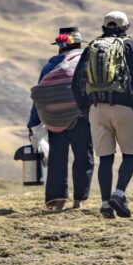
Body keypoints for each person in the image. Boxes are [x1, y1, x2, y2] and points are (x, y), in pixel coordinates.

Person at [72, 11, 133, 219]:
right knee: (130, 154)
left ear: (104, 26)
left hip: (97, 109)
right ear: (126, 27)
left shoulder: (91, 47)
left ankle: (106, 204)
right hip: (125, 108)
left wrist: (86, 109)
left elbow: (76, 83)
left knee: (105, 158)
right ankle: (119, 193)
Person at [28, 28, 94, 210]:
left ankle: (58, 201)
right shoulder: (86, 62)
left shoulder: (49, 67)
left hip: (53, 119)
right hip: (81, 117)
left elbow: (39, 98)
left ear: (59, 46)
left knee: (57, 158)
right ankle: (78, 200)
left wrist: (32, 124)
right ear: (79, 45)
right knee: (83, 156)